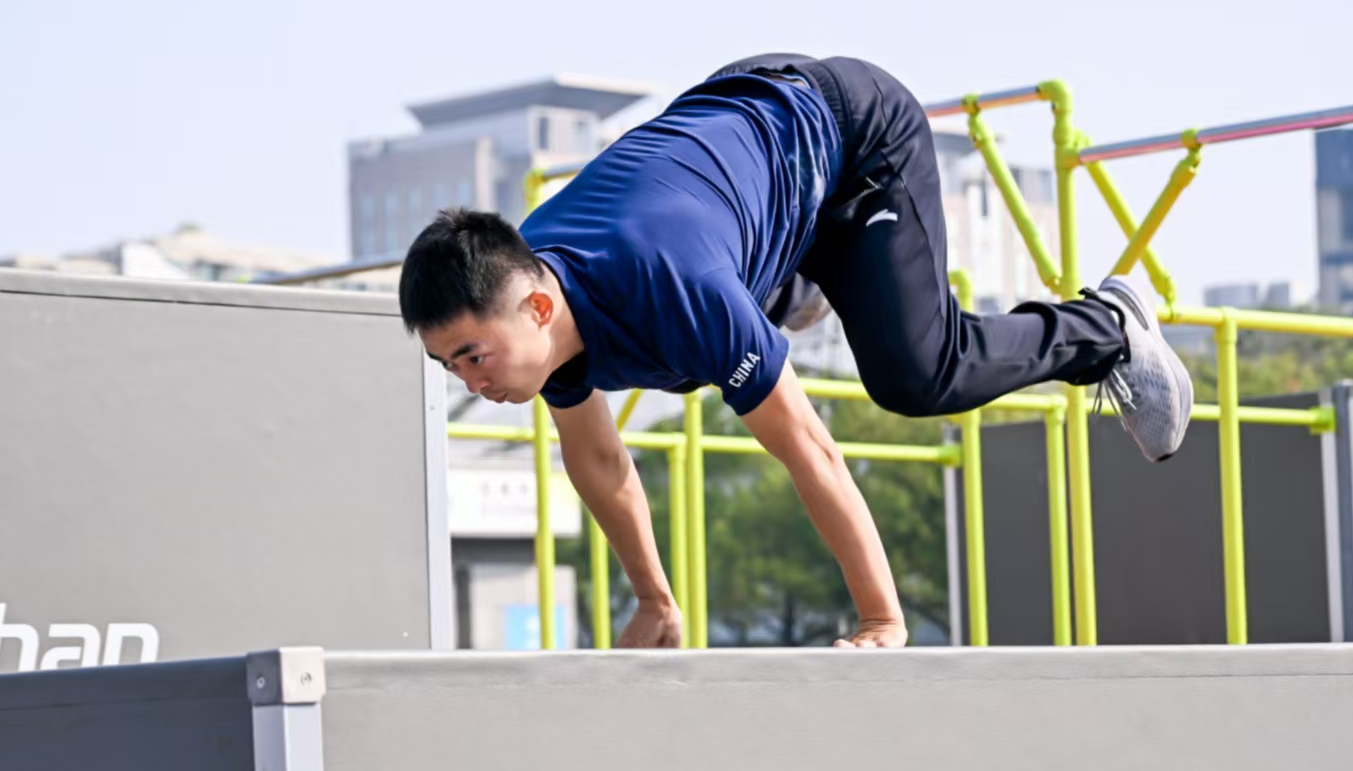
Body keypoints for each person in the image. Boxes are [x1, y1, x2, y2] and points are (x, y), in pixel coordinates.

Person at [399, 54, 1193, 649]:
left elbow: (809, 446)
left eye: (473, 356)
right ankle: (792, 281)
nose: (470, 381)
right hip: (743, 150)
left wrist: (881, 618)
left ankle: (1106, 327)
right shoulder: (530, 302)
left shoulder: (673, 284)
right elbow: (600, 461)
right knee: (695, 348)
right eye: (450, 367)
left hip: (852, 139)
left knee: (917, 374)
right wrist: (654, 601)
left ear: (538, 309)